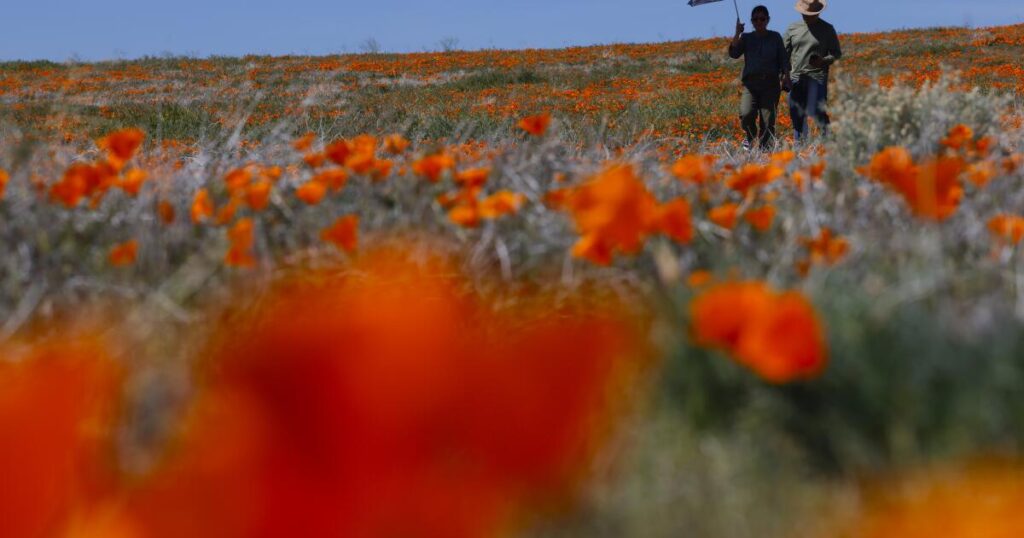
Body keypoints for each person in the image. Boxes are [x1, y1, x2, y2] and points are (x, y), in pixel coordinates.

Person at [729, 5, 791, 151]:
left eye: (762, 19)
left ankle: (765, 150)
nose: (759, 22)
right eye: (755, 19)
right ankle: (750, 138)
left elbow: (783, 59)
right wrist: (737, 33)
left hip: (770, 85)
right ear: (751, 21)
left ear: (768, 20)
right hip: (751, 85)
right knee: (746, 113)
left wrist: (786, 76)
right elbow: (733, 53)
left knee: (768, 120)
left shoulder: (775, 37)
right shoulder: (746, 38)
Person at [784, 0, 842, 143]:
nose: (805, 16)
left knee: (818, 111)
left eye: (809, 14)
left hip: (817, 77)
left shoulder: (827, 29)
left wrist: (823, 61)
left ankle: (827, 143)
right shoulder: (792, 28)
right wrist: (783, 75)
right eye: (803, 13)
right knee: (797, 114)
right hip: (796, 77)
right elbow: (783, 53)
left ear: (818, 12)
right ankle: (800, 146)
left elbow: (836, 53)